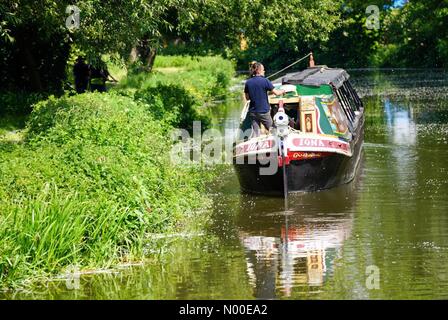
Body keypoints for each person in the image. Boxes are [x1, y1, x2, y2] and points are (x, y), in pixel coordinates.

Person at [244, 62, 285, 136]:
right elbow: (276, 93)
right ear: (259, 71)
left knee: (256, 134)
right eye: (263, 70)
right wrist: (284, 90)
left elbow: (247, 98)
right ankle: (277, 144)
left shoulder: (248, 82)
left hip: (253, 112)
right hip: (264, 111)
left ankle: (257, 146)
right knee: (274, 131)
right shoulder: (265, 81)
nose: (264, 71)